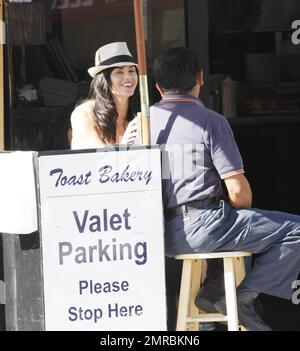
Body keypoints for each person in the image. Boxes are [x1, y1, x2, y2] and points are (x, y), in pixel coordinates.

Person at [150, 46, 300, 331]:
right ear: (201, 78)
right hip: (203, 227)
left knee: (230, 231)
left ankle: (215, 291)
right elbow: (239, 193)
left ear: (158, 87)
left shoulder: (142, 124)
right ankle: (239, 297)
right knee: (296, 230)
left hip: (161, 234)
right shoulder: (210, 121)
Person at [70, 42, 139, 149]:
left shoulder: (140, 115)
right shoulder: (84, 113)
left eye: (131, 70)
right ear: (104, 80)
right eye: (119, 72)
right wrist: (123, 146)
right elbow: (93, 157)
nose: (128, 76)